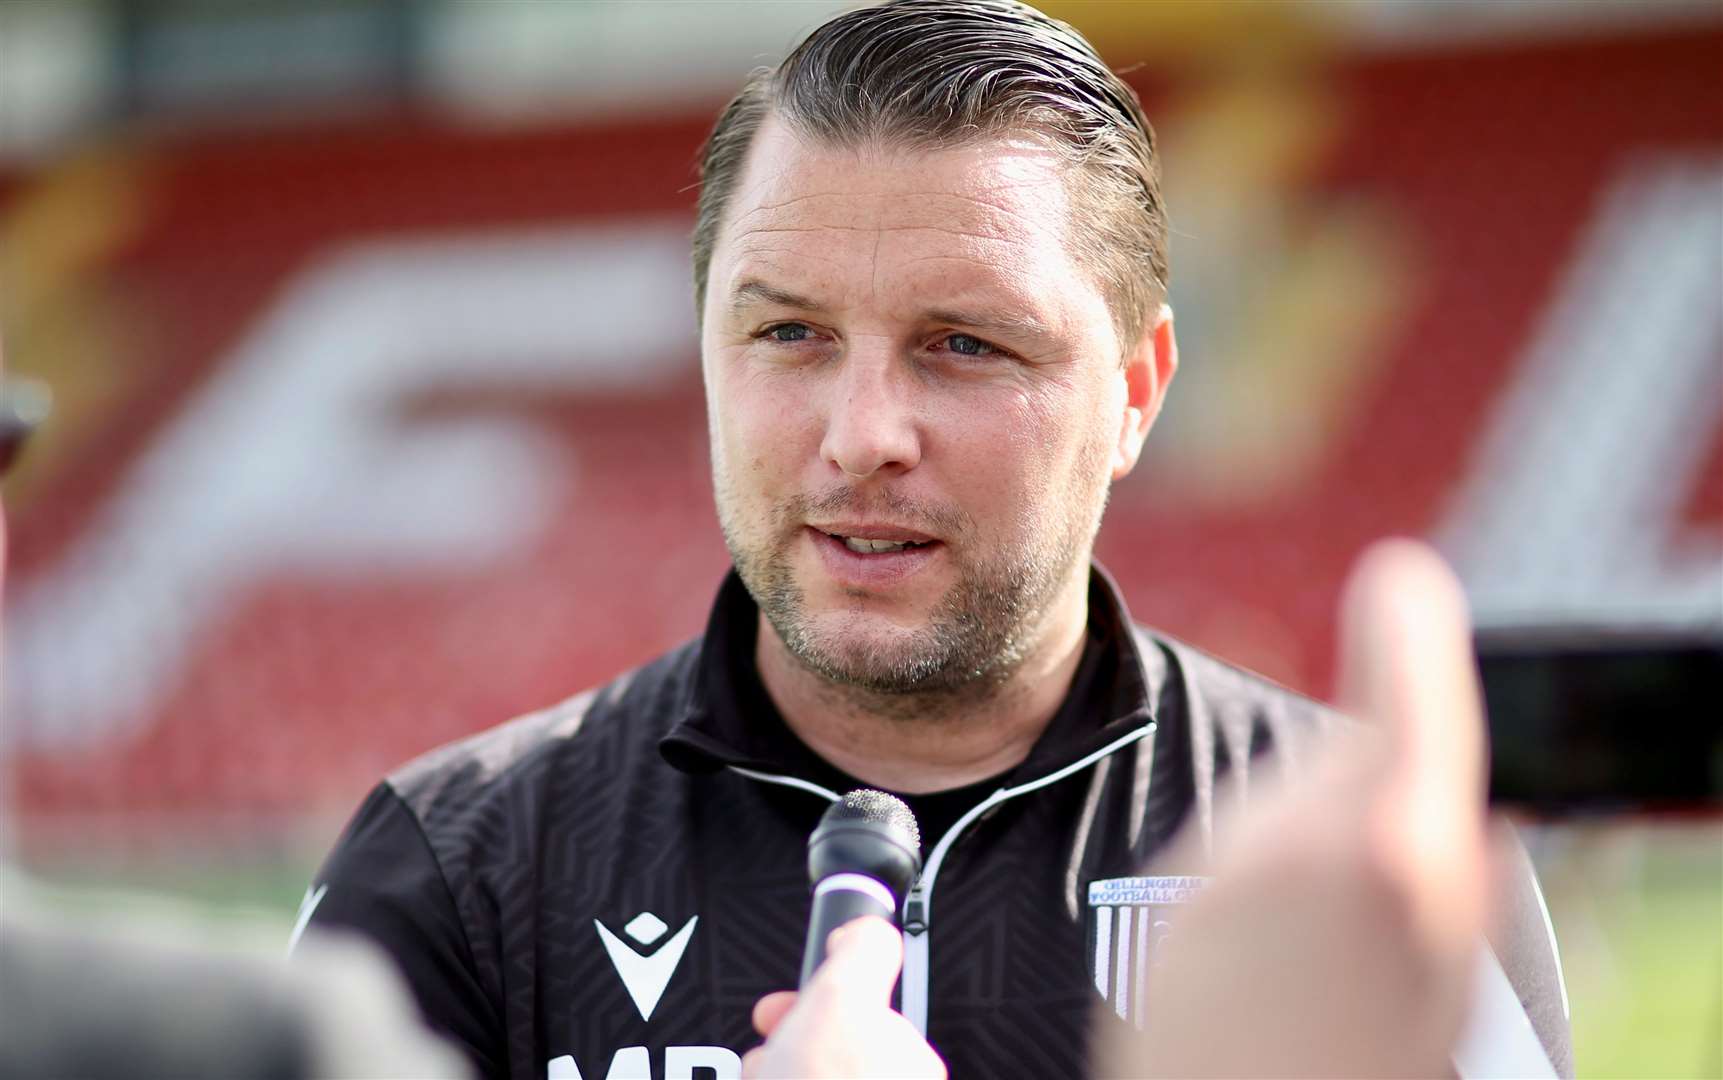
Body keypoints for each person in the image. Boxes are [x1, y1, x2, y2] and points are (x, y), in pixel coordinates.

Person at [302, 2, 1570, 1078]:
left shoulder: (1378, 865)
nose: (862, 436)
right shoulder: (456, 873)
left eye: (965, 344)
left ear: (1135, 392)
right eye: (788, 334)